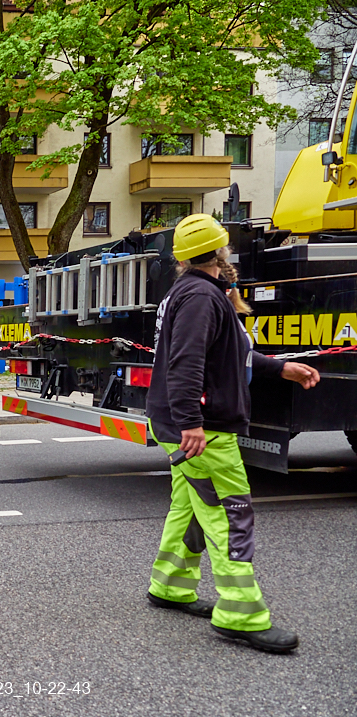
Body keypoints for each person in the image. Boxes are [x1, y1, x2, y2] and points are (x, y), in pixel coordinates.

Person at [145, 213, 320, 654]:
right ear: (222, 251)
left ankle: (170, 586)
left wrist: (281, 368)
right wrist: (191, 422)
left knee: (188, 509)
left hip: (179, 420)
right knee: (229, 514)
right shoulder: (203, 296)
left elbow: (231, 354)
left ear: (183, 258)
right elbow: (186, 362)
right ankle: (242, 615)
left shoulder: (189, 293)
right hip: (201, 426)